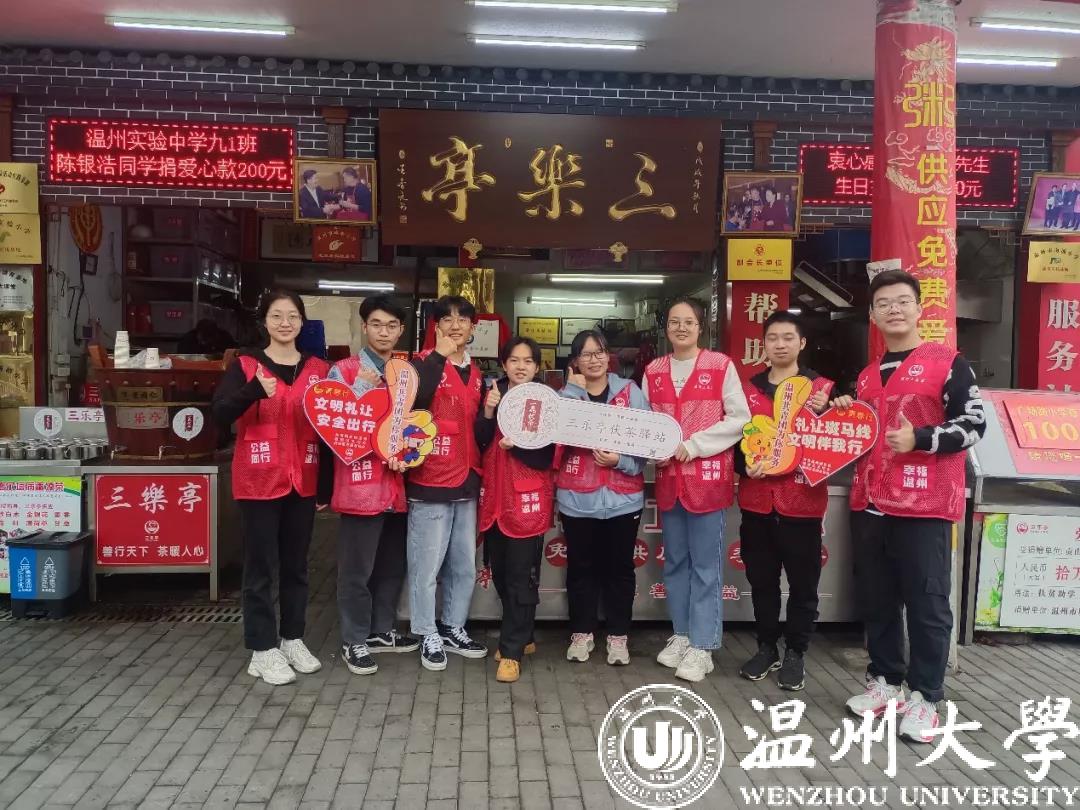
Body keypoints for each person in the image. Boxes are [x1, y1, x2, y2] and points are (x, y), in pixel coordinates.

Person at [831, 269, 985, 743]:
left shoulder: (948, 363)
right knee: (876, 598)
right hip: (871, 502)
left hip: (925, 504)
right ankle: (885, 681)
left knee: (927, 603)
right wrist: (840, 415)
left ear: (919, 308)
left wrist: (921, 438)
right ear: (873, 315)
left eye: (902, 301)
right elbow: (860, 435)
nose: (893, 310)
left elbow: (974, 425)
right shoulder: (866, 375)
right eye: (883, 304)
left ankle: (926, 696)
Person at [211, 291, 331, 686]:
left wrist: (325, 487)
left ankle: (292, 639)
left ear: (302, 322)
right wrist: (252, 391)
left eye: (292, 316)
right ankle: (262, 648)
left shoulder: (318, 370)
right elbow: (219, 414)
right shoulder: (246, 365)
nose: (285, 323)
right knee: (260, 567)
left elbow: (331, 429)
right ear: (264, 321)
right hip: (259, 481)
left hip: (303, 480)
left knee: (297, 566)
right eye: (277, 316)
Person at [645, 297, 750, 682]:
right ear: (666, 327)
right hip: (670, 481)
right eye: (674, 321)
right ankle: (682, 634)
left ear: (700, 327)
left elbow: (740, 419)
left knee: (705, 565)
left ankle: (703, 645)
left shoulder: (720, 366)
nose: (681, 327)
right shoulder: (654, 370)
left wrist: (695, 445)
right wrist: (653, 451)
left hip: (706, 480)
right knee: (675, 562)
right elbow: (645, 422)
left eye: (688, 321)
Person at [736, 311, 833, 691]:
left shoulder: (821, 390)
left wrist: (833, 411)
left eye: (788, 337)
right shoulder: (748, 390)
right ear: (763, 344)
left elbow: (836, 443)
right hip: (757, 502)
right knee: (762, 582)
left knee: (803, 586)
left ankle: (795, 652)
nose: (780, 344)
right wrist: (745, 466)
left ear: (802, 343)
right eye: (773, 338)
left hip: (802, 504)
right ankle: (766, 648)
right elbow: (735, 442)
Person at [327, 296, 419, 677]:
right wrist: (361, 391)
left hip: (396, 486)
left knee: (391, 565)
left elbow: (413, 426)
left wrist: (408, 454)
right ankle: (354, 638)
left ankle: (381, 630)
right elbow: (335, 429)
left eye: (392, 326)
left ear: (401, 331)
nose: (384, 332)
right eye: (377, 324)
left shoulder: (405, 374)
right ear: (364, 327)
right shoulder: (344, 371)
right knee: (356, 570)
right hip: (360, 487)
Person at [407, 295, 488, 670]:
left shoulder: (477, 372)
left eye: (463, 319)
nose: (456, 325)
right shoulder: (421, 363)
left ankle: (454, 626)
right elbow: (413, 404)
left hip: (467, 479)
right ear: (435, 325)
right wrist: (439, 357)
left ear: (473, 327)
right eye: (447, 319)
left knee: (463, 564)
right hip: (431, 479)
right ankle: (426, 631)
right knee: (426, 565)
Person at [557, 329, 647, 666]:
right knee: (581, 569)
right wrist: (571, 392)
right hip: (576, 499)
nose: (594, 359)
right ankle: (581, 634)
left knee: (620, 569)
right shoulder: (565, 395)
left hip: (623, 500)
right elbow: (555, 443)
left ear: (608, 356)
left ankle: (618, 637)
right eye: (586, 354)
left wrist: (620, 461)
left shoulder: (630, 392)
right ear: (575, 360)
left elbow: (647, 443)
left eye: (599, 352)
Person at [475, 337, 556, 683]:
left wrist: (518, 445)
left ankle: (511, 651)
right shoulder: (493, 393)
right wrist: (488, 412)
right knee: (501, 573)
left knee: (521, 577)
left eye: (528, 361)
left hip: (526, 501)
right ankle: (525, 635)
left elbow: (547, 456)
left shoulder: (546, 402)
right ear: (504, 364)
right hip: (495, 500)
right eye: (514, 360)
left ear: (537, 367)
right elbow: (478, 440)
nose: (520, 366)